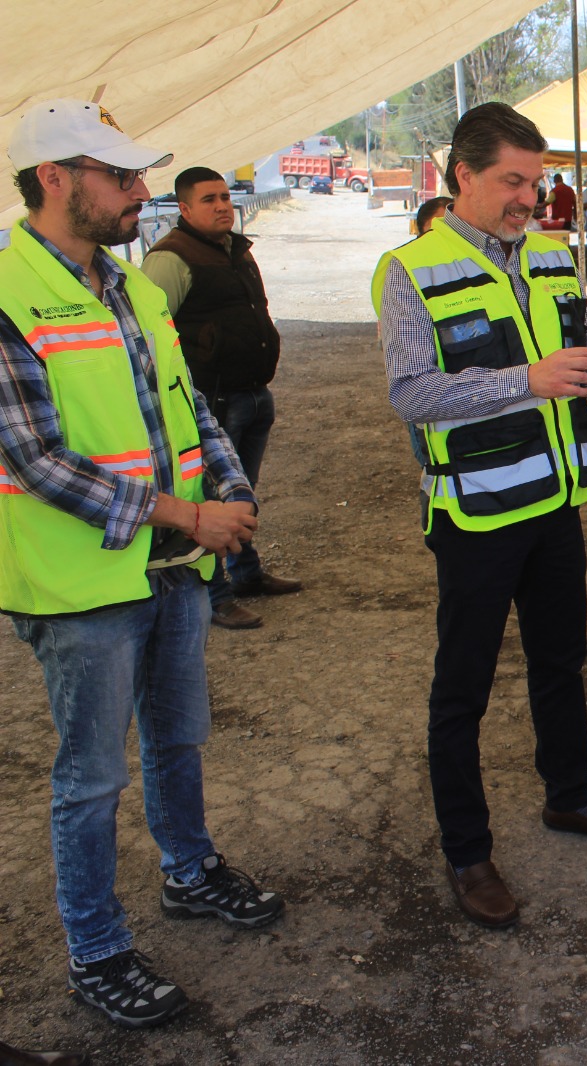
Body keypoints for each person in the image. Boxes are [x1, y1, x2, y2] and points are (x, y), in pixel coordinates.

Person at [0, 99, 284, 1030]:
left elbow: (189, 405)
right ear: (54, 178)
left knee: (176, 736)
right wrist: (184, 515)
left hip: (173, 568)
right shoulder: (7, 294)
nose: (140, 192)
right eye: (120, 177)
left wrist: (231, 493)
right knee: (90, 777)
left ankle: (189, 869)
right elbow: (37, 460)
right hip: (83, 586)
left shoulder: (130, 286)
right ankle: (96, 950)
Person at [377, 102, 587, 931]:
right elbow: (411, 395)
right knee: (461, 688)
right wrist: (525, 381)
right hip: (474, 516)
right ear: (460, 175)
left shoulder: (551, 256)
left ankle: (569, 797)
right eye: (512, 181)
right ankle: (468, 853)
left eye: (536, 182)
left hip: (555, 503)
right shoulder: (410, 270)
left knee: (561, 662)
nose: (529, 199)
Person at [144, 166, 303, 631]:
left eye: (224, 198)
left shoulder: (236, 250)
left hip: (254, 393)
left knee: (241, 493)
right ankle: (216, 597)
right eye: (209, 199)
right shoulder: (170, 259)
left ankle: (247, 574)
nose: (220, 207)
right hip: (211, 402)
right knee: (212, 498)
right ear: (185, 208)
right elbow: (150, 338)